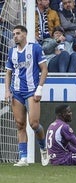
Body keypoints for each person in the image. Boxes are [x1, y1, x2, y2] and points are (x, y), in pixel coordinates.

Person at [4, 25, 49, 166]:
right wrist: (7, 90)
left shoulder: (35, 48)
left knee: (34, 123)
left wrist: (40, 88)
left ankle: (43, 148)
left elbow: (44, 69)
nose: (15, 36)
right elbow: (8, 73)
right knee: (20, 125)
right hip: (16, 91)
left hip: (31, 90)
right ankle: (23, 158)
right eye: (13, 34)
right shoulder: (11, 52)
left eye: (17, 33)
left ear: (25, 34)